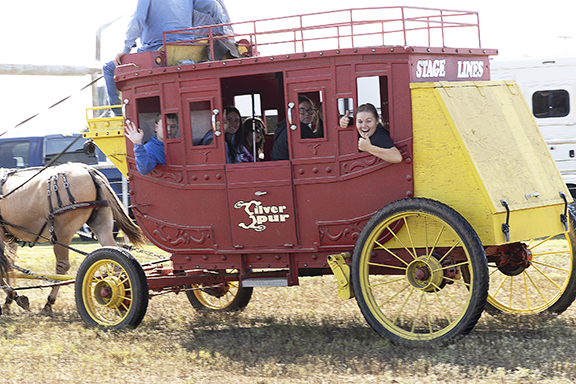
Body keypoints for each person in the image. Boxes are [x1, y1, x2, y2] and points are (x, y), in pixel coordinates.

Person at [103, 0, 231, 114]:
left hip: (157, 49)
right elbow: (213, 5)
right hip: (186, 48)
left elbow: (137, 19)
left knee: (109, 69)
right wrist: (224, 30)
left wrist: (126, 48)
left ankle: (120, 116)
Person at [270, 95, 318, 161]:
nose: (307, 114)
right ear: (293, 112)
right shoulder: (301, 128)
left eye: (309, 110)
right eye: (301, 110)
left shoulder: (286, 128)